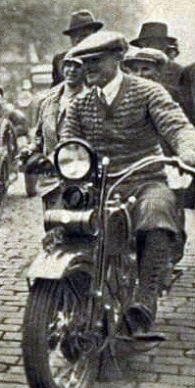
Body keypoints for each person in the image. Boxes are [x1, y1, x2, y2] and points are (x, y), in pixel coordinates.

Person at [61, 31, 195, 336]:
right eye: (84, 62)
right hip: (98, 184)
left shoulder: (148, 92)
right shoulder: (80, 103)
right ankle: (69, 289)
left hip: (144, 177)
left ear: (118, 58)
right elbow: (69, 145)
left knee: (157, 213)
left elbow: (177, 126)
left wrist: (188, 151)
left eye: (96, 61)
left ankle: (145, 301)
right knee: (63, 222)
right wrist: (57, 159)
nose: (88, 68)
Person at [33, 53, 85, 156]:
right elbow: (39, 136)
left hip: (79, 166)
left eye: (77, 66)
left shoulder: (90, 99)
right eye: (68, 65)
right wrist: (31, 148)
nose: (71, 70)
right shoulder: (49, 100)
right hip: (50, 166)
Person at [52, 10, 104, 87]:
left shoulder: (105, 58)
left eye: (83, 35)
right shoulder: (60, 60)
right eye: (73, 35)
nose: (77, 39)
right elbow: (55, 90)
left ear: (94, 35)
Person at [129, 22, 182, 90]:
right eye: (141, 46)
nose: (145, 49)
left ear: (163, 44)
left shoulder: (175, 70)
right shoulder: (134, 65)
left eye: (149, 44)